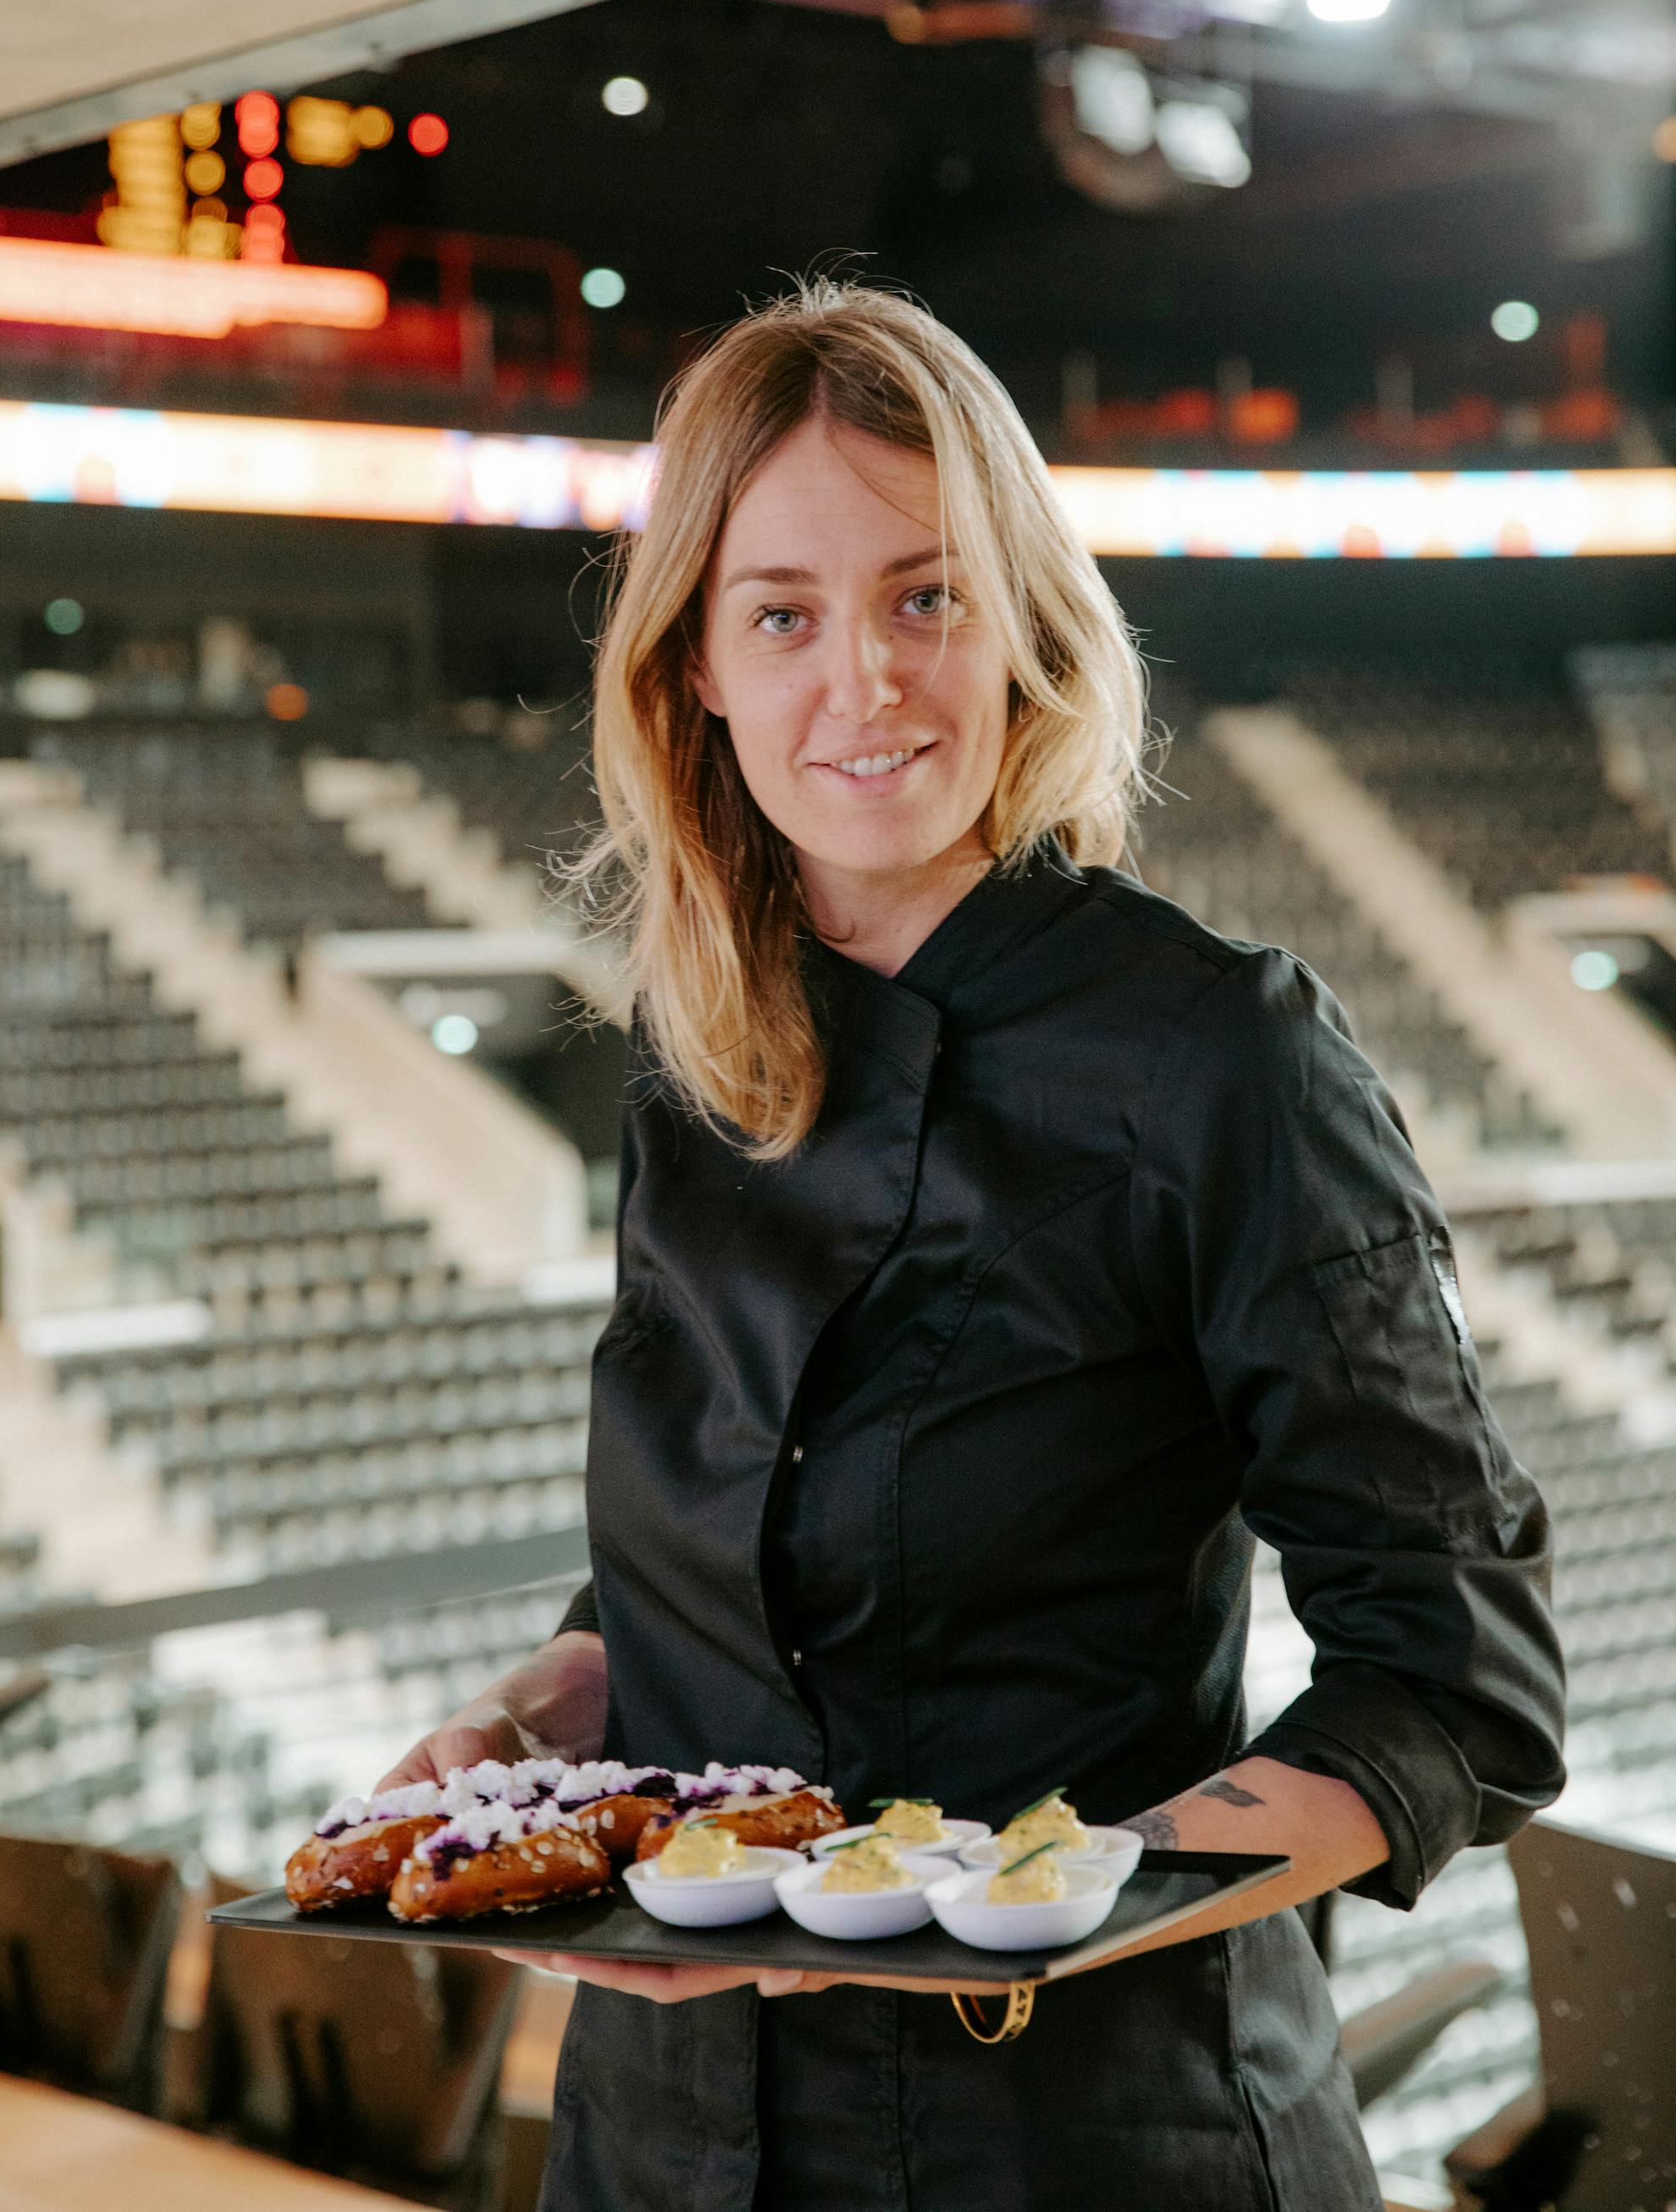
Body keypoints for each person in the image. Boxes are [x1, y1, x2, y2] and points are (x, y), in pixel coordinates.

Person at [379, 282, 1564, 2211]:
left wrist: (1023, 1905)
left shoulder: (1221, 1052)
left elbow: (1458, 1684)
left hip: (1082, 2138)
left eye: (926, 596)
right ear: (695, 667)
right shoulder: (697, 1050)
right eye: (782, 614)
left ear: (1023, 621)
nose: (866, 681)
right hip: (666, 2141)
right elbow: (727, 1581)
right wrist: (526, 1725)